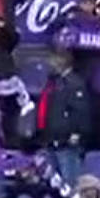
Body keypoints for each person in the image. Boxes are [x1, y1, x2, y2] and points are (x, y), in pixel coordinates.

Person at [37, 51, 92, 186]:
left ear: (63, 61)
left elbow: (81, 112)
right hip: (51, 139)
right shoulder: (52, 82)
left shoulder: (75, 83)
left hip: (67, 142)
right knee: (52, 184)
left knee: (70, 183)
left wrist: (77, 133)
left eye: (54, 60)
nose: (51, 63)